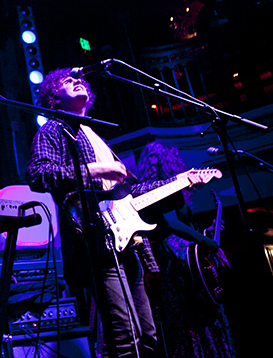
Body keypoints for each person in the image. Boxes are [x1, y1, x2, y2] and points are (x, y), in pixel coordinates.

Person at [25, 68, 208, 358]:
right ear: (52, 99)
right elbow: (38, 174)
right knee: (124, 337)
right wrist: (94, 170)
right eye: (67, 81)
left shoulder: (94, 136)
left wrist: (178, 182)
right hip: (97, 241)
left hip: (127, 243)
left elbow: (132, 194)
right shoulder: (53, 130)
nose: (77, 80)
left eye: (79, 80)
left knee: (147, 336)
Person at [136, 141, 237, 357]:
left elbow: (186, 224)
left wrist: (207, 231)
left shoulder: (175, 190)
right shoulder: (158, 190)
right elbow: (171, 223)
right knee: (192, 317)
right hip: (177, 259)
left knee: (206, 314)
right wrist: (207, 242)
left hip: (187, 257)